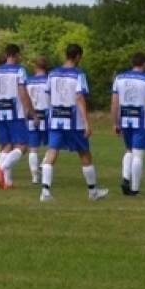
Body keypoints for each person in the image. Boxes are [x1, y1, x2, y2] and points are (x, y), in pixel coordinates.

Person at [40, 43, 108, 203]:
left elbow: (48, 95)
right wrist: (86, 122)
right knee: (84, 153)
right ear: (77, 56)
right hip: (73, 121)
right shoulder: (79, 74)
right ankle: (93, 192)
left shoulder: (52, 74)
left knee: (52, 152)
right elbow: (79, 97)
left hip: (56, 119)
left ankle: (45, 191)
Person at [0, 44, 33, 190]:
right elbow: (23, 93)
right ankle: (0, 167)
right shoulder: (19, 71)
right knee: (22, 145)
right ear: (17, 55)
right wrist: (31, 111)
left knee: (6, 145)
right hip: (16, 113)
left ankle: (7, 182)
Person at [112, 52, 145, 196]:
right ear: (144, 64)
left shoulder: (119, 78)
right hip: (140, 119)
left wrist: (114, 122)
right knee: (138, 154)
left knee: (129, 150)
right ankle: (134, 189)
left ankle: (126, 178)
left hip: (124, 117)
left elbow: (114, 101)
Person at [23, 56, 51, 184]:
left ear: (35, 66)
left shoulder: (28, 81)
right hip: (45, 115)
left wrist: (25, 115)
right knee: (53, 145)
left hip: (31, 115)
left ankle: (35, 176)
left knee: (33, 147)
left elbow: (24, 99)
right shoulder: (49, 80)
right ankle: (43, 164)